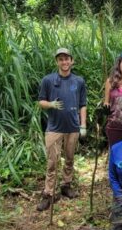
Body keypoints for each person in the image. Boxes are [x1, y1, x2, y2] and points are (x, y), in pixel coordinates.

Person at [36, 48, 87, 211]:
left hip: (73, 127)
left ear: (72, 61)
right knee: (52, 161)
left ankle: (66, 185)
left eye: (67, 59)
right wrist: (50, 104)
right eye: (61, 59)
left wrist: (83, 125)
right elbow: (40, 102)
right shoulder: (48, 80)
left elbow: (83, 105)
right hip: (54, 128)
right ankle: (48, 193)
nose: (64, 62)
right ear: (56, 62)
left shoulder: (78, 81)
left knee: (70, 158)